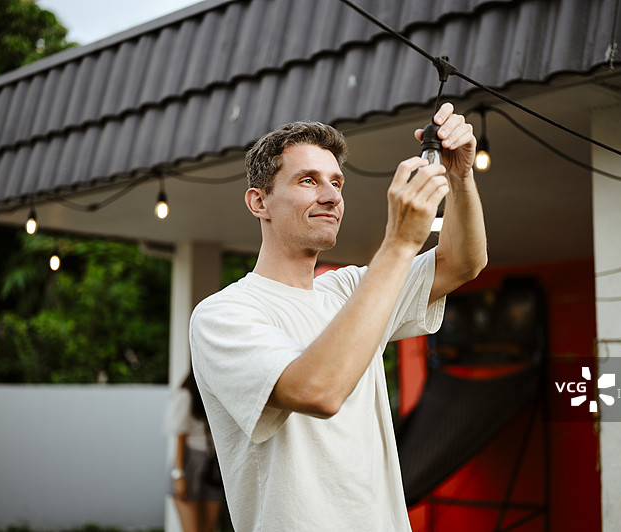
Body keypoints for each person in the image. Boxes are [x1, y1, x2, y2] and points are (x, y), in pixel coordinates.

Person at [189, 102, 487, 531]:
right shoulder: (224, 314)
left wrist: (461, 177)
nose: (331, 195)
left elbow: (462, 262)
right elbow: (319, 391)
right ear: (259, 201)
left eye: (336, 182)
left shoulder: (350, 289)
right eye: (308, 181)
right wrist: (399, 244)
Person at [165, 369, 224, 532]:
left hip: (212, 466)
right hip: (190, 462)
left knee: (208, 528)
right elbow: (180, 437)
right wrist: (179, 475)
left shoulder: (215, 395)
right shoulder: (186, 395)